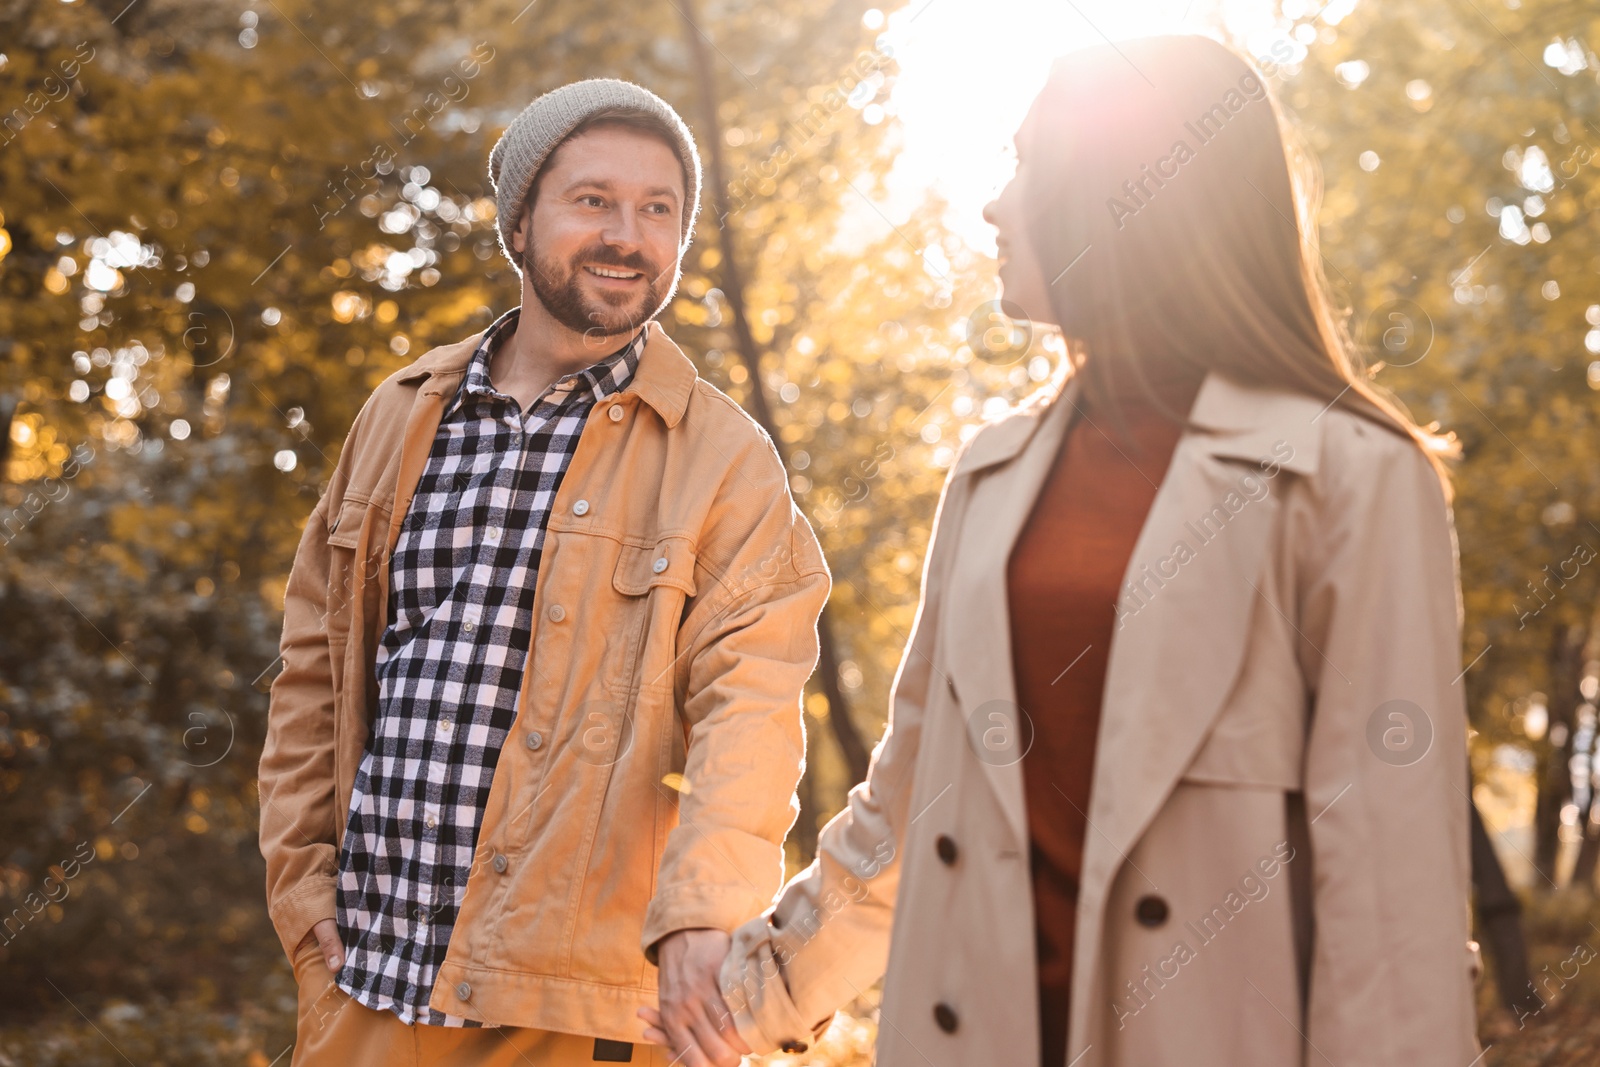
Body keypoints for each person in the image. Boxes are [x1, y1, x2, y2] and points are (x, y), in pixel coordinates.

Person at [713, 35, 1481, 1067]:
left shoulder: (1348, 474)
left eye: (1027, 163)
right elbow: (905, 807)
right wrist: (735, 997)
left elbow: (1394, 909)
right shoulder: (990, 475)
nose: (995, 206)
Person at [258, 78, 826, 1066]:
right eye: (593, 199)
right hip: (367, 987)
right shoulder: (398, 415)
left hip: (581, 1014)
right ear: (519, 222)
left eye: (660, 210)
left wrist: (703, 913)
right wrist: (305, 899)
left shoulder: (725, 459)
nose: (628, 235)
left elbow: (755, 706)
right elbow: (313, 668)